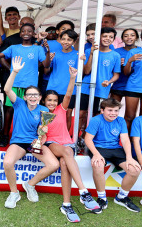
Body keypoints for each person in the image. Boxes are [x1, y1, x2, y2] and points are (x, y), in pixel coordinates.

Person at [42, 66, 101, 222]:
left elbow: (68, 94)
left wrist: (73, 78)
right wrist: (41, 130)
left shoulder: (61, 109)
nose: (52, 103)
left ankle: (66, 204)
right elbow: (41, 134)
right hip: (52, 143)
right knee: (67, 153)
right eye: (49, 100)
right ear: (44, 101)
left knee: (65, 163)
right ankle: (83, 191)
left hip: (67, 143)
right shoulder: (42, 114)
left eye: (55, 100)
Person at [2, 56, 59, 209]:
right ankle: (14, 193)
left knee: (54, 164)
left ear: (40, 98)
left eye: (36, 95)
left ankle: (30, 184)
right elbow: (7, 89)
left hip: (34, 141)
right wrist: (14, 71)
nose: (32, 97)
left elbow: (42, 131)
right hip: (19, 141)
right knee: (7, 162)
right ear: (25, 97)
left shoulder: (44, 110)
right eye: (30, 95)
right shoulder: (19, 103)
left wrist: (41, 134)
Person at [0, 22, 50, 147]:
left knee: (28, 111)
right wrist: (10, 68)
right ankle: (5, 136)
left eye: (29, 31)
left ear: (34, 34)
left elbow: (46, 64)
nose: (26, 33)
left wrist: (47, 51)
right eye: (23, 31)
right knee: (9, 109)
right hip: (14, 83)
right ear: (20, 33)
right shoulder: (14, 47)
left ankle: (30, 137)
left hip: (30, 87)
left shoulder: (38, 48)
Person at [85, 98, 141, 212]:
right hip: (99, 148)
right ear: (102, 110)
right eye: (110, 110)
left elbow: (125, 140)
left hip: (115, 148)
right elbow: (88, 139)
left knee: (135, 169)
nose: (113, 113)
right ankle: (101, 198)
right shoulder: (96, 120)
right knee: (98, 165)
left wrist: (129, 158)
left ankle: (121, 197)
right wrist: (96, 154)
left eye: (116, 110)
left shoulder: (120, 121)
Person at [79, 27, 121, 144]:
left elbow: (116, 75)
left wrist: (109, 81)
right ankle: (76, 138)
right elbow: (86, 71)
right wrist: (92, 53)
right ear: (99, 37)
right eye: (105, 36)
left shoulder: (115, 55)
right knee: (81, 113)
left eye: (111, 37)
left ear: (113, 39)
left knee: (96, 116)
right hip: (86, 88)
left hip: (102, 90)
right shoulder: (88, 51)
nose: (107, 39)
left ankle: (87, 138)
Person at [45, 29, 78, 131]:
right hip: (53, 88)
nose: (65, 42)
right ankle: (47, 136)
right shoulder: (55, 54)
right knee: (50, 114)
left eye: (69, 39)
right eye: (63, 39)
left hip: (69, 89)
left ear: (74, 42)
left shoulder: (78, 55)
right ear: (59, 40)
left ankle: (65, 138)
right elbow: (46, 70)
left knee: (67, 115)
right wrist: (49, 60)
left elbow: (84, 71)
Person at [110, 28, 140, 102]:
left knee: (130, 113)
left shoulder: (141, 51)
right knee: (112, 109)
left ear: (136, 38)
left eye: (132, 35)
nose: (129, 37)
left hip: (134, 87)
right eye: (126, 36)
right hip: (118, 86)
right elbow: (108, 68)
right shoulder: (116, 52)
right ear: (122, 39)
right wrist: (117, 64)